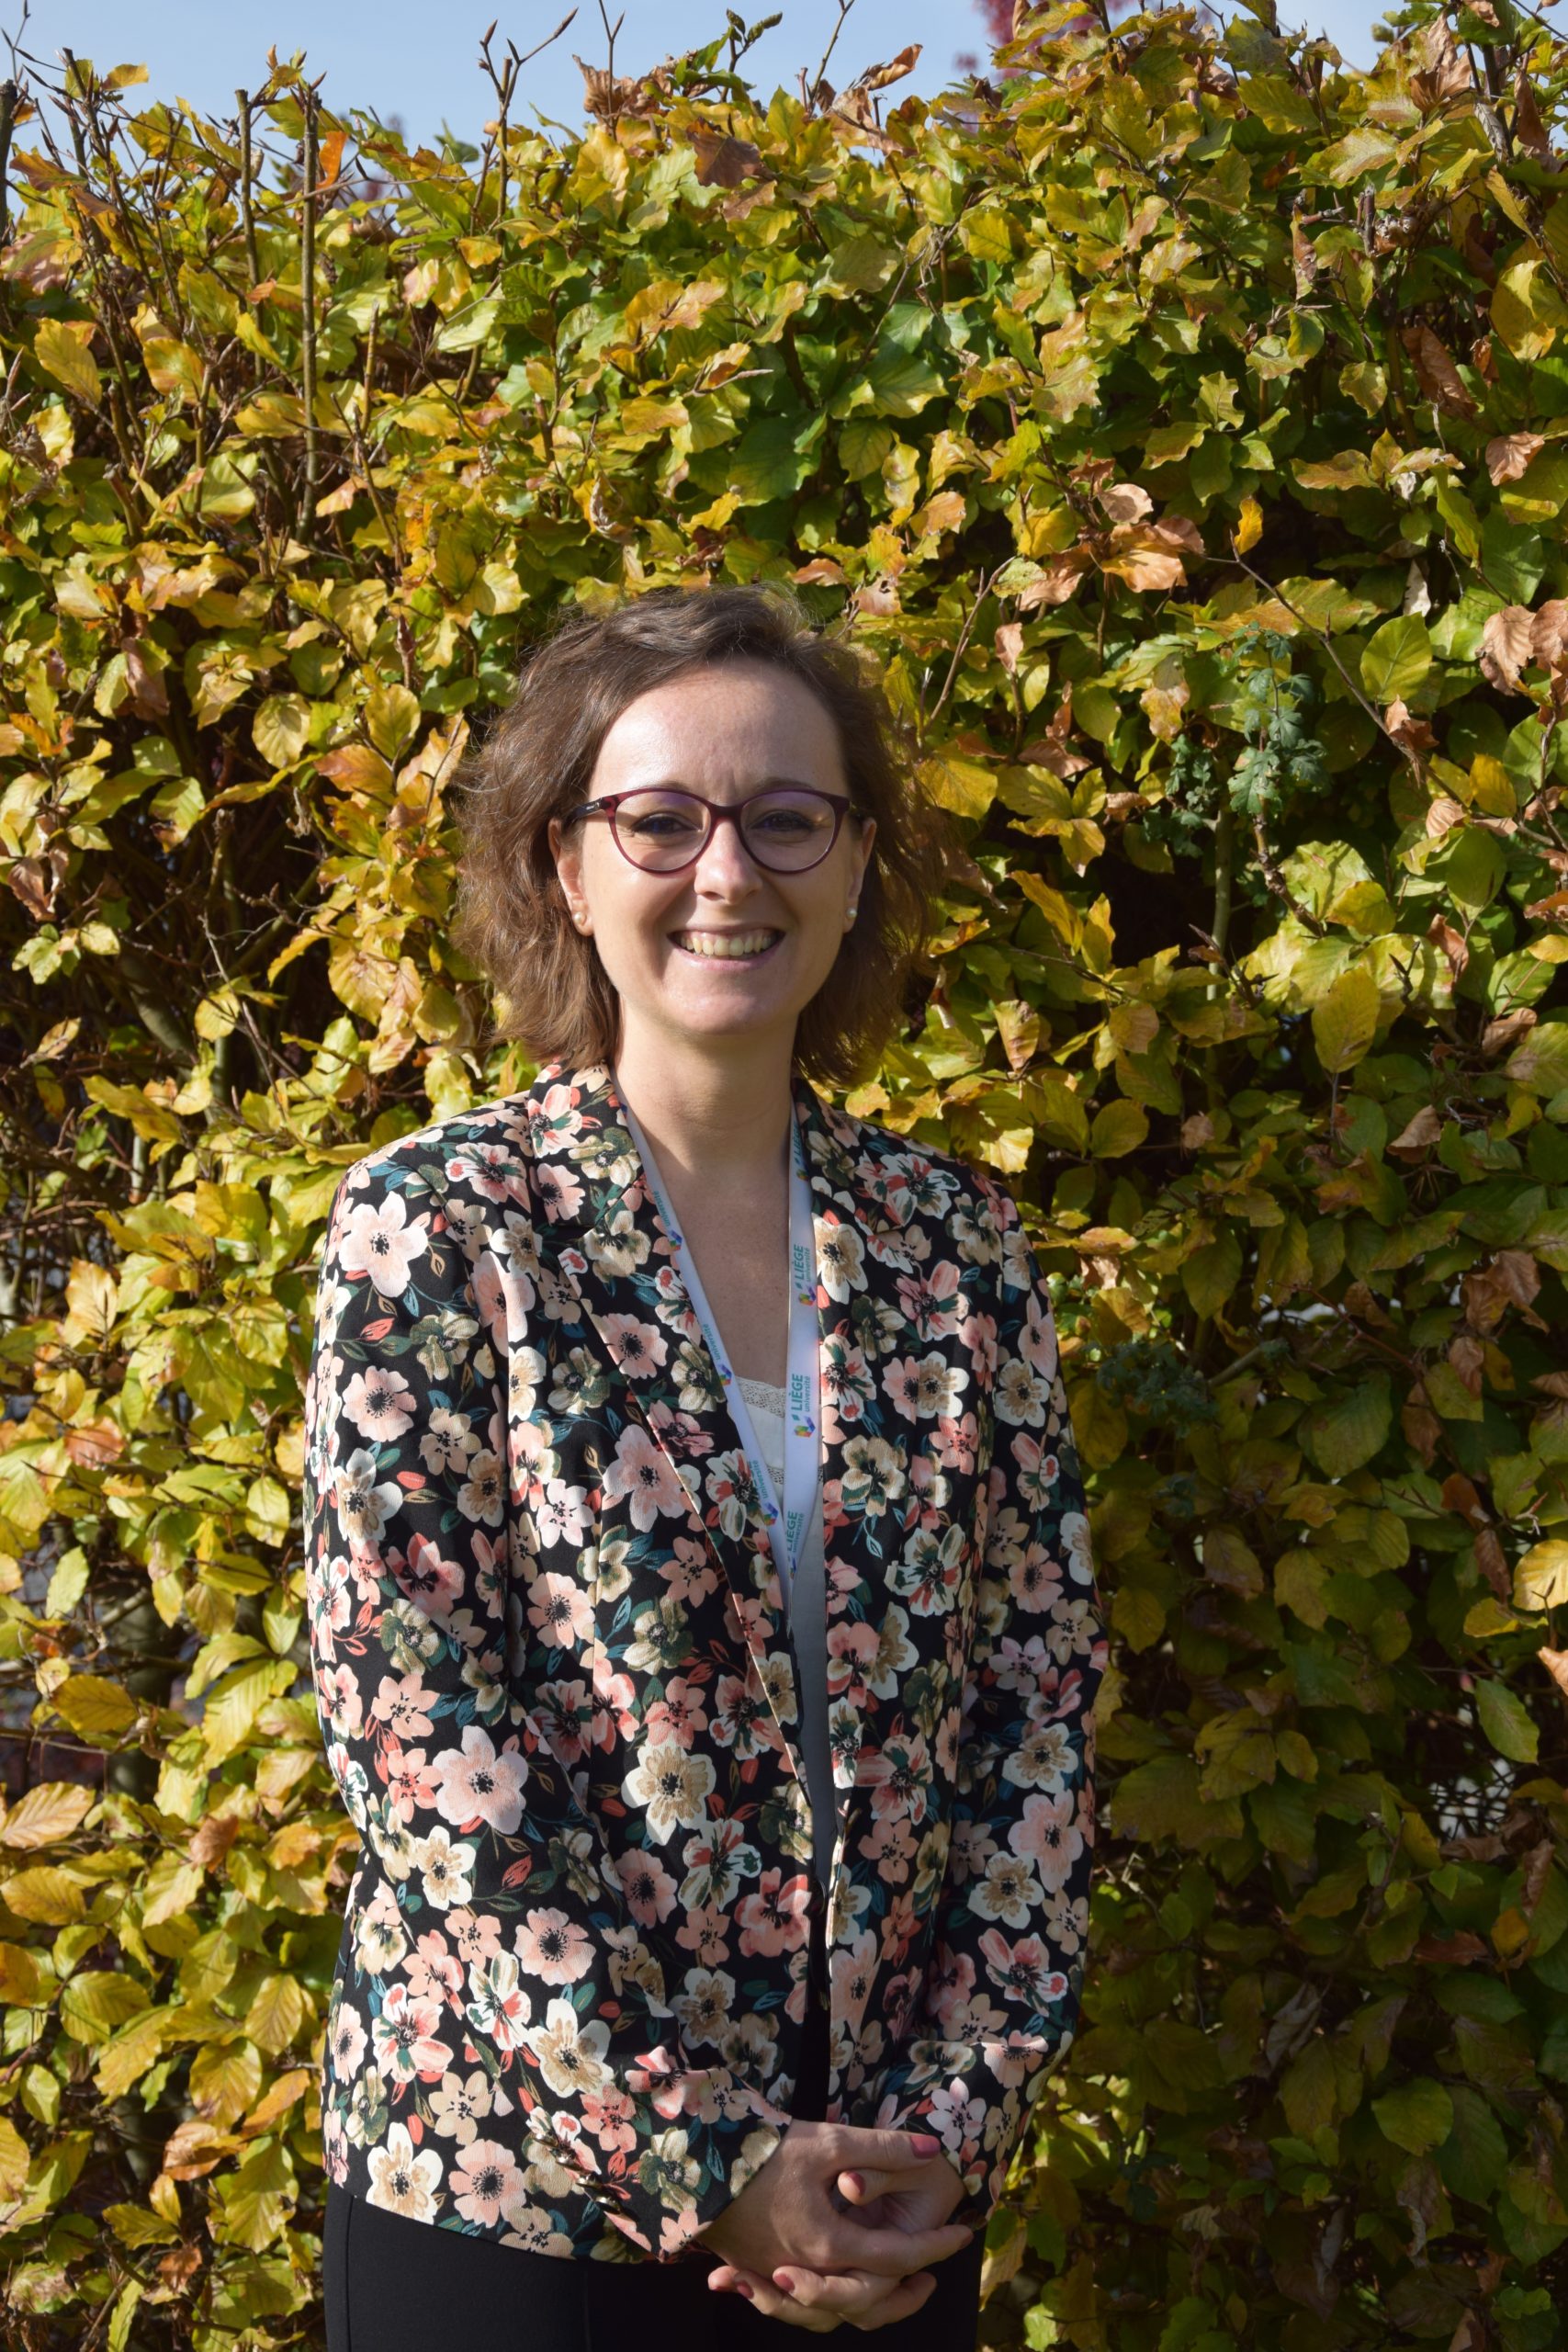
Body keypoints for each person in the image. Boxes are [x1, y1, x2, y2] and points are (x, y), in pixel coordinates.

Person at [303, 583, 1105, 2348]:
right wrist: (696, 2153)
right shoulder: (441, 1230)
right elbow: (416, 1730)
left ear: (855, 866)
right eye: (659, 819)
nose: (727, 871)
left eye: (787, 818)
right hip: (511, 2205)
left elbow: (1036, 1715)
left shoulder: (956, 1248)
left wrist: (953, 2127)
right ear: (565, 870)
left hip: (881, 2205)